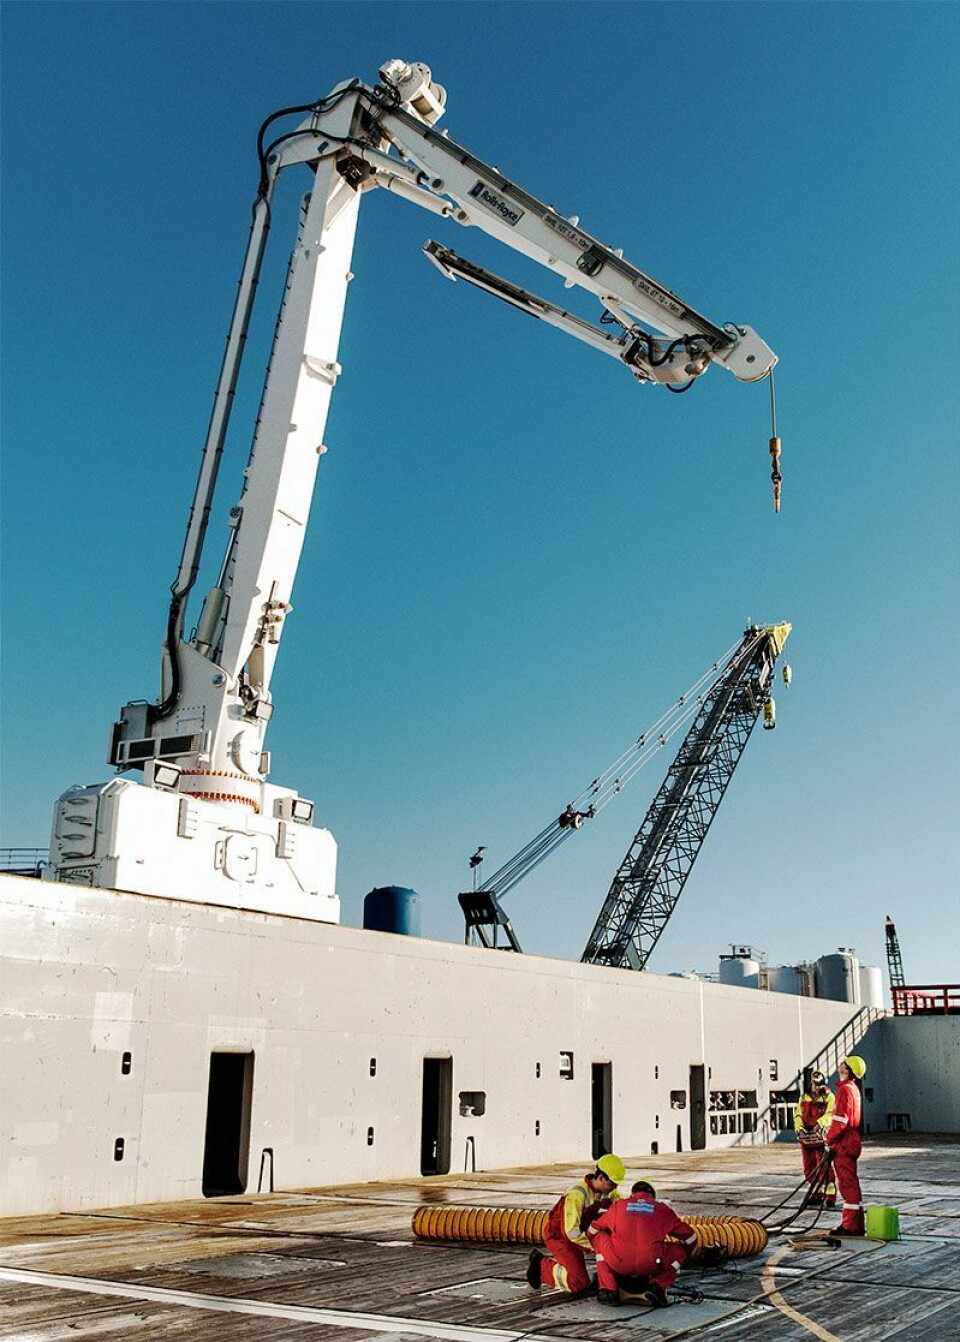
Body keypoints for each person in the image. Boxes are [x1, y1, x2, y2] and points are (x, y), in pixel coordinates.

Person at [586, 1180, 697, 1308]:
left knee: (600, 1238)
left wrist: (597, 1249)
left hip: (619, 1261)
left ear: (632, 1194)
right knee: (680, 1252)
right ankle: (657, 1286)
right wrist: (686, 1254)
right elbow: (691, 1237)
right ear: (652, 1196)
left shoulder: (618, 1206)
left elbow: (593, 1229)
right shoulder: (661, 1209)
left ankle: (608, 1290)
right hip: (652, 1263)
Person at [527, 1153, 625, 1295]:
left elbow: (621, 1203)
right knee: (578, 1283)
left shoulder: (606, 1191)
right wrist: (597, 1247)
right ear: (601, 1178)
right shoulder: (577, 1194)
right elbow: (570, 1233)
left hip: (578, 1234)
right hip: (559, 1237)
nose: (614, 1187)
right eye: (612, 1183)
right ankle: (540, 1265)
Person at [824, 1055, 866, 1236]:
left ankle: (851, 1226)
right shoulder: (854, 1089)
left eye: (843, 1063)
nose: (840, 1064)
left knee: (847, 1185)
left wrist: (829, 1139)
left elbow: (840, 1120)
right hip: (851, 1140)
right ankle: (855, 1223)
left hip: (844, 1142)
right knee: (851, 1183)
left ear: (846, 1069)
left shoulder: (844, 1090)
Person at [794, 1069, 836, 1206]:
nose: (817, 1087)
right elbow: (798, 1115)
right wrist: (799, 1129)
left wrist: (820, 1123)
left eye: (819, 1084)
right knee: (809, 1167)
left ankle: (830, 1196)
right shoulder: (803, 1098)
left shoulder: (829, 1097)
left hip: (820, 1137)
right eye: (814, 1084)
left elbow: (830, 1114)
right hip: (807, 1137)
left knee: (824, 1166)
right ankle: (817, 1194)